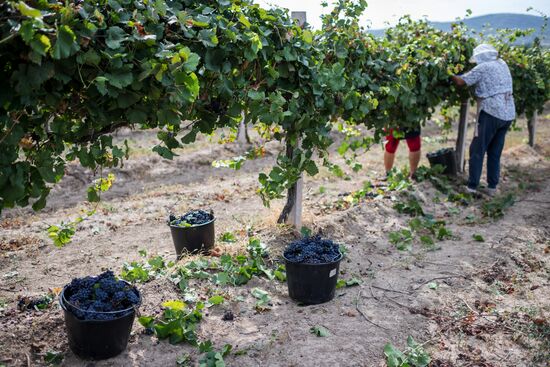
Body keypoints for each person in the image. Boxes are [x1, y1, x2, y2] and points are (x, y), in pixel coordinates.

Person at [451, 44, 515, 196]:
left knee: (477, 149)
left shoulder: (483, 67)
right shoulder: (502, 63)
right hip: (508, 112)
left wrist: (446, 72)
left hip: (491, 111)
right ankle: (492, 187)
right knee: (495, 151)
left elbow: (461, 81)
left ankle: (472, 187)